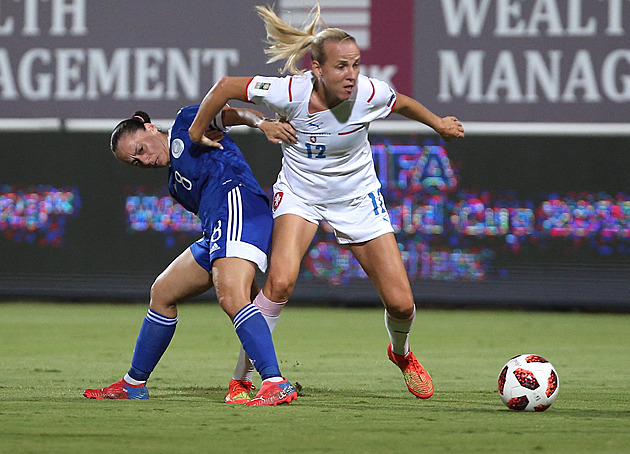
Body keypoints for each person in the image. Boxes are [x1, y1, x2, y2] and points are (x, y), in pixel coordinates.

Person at [188, 2, 465, 400]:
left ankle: (401, 354)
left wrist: (438, 123)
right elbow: (226, 87)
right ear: (316, 69)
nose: (352, 74)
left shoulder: (370, 92)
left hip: (355, 196)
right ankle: (245, 378)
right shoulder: (290, 92)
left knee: (402, 305)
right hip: (301, 193)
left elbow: (401, 101)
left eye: (355, 64)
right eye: (341, 66)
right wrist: (199, 131)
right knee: (279, 283)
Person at [83, 104, 299, 406]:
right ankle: (133, 384)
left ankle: (275, 383)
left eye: (141, 149)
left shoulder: (185, 124)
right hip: (218, 229)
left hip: (237, 204)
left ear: (148, 128)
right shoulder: (175, 185)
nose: (144, 160)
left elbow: (230, 113)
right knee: (163, 292)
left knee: (231, 297)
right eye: (135, 161)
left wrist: (261, 123)